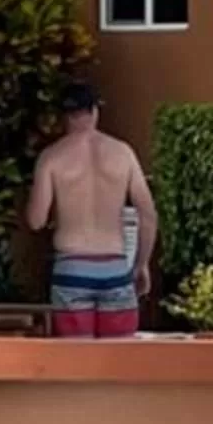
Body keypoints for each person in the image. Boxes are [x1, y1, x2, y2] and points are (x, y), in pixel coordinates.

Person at [26, 83, 156, 337]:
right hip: (116, 267)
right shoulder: (123, 153)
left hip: (71, 268)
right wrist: (142, 265)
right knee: (118, 357)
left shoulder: (51, 158)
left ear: (64, 116)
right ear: (95, 111)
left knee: (76, 358)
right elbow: (148, 215)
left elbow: (36, 220)